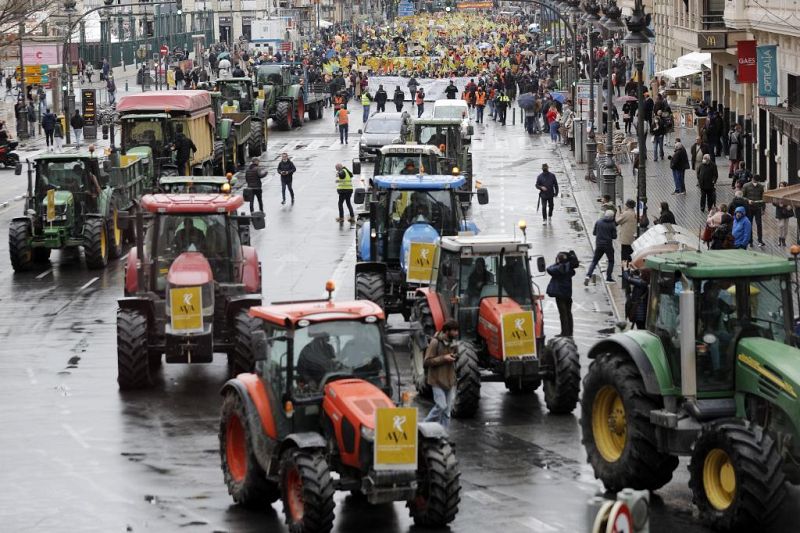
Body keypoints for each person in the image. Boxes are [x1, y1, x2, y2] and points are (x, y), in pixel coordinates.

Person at [423, 319, 459, 431]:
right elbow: (427, 361)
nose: (456, 333)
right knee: (441, 406)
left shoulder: (453, 343)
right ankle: (424, 424)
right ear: (447, 331)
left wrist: (454, 357)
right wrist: (444, 358)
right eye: (454, 331)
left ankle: (444, 434)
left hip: (449, 381)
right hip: (436, 380)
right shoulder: (435, 342)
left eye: (457, 331)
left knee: (447, 412)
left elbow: (455, 357)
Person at [546, 252, 575, 336]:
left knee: (563, 314)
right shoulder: (568, 268)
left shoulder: (558, 268)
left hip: (560, 294)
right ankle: (570, 332)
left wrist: (557, 263)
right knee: (568, 312)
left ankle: (564, 332)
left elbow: (549, 269)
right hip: (568, 294)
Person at [585, 210, 617, 284]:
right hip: (608, 245)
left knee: (595, 261)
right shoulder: (612, 224)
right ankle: (608, 278)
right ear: (612, 217)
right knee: (611, 261)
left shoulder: (598, 222)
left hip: (599, 244)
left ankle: (588, 275)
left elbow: (594, 233)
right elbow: (614, 236)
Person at [742, 174, 765, 246]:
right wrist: (748, 200)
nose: (756, 182)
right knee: (749, 224)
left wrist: (763, 209)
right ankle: (750, 241)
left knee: (759, 224)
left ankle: (760, 240)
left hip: (758, 208)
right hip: (749, 208)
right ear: (752, 179)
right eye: (754, 181)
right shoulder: (746, 186)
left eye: (757, 181)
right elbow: (742, 197)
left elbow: (763, 198)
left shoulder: (761, 187)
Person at [616, 200, 637, 269]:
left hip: (625, 238)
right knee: (631, 253)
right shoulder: (634, 213)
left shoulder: (626, 213)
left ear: (627, 205)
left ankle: (624, 270)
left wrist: (618, 212)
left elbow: (617, 220)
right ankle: (631, 268)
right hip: (632, 238)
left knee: (624, 255)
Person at [774, 182, 793, 247]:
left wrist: (790, 206)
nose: (781, 187)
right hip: (779, 211)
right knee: (781, 225)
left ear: (785, 186)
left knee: (786, 227)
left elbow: (791, 201)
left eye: (782, 186)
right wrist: (778, 204)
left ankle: (784, 239)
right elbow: (774, 202)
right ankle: (780, 238)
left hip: (786, 211)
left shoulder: (788, 193)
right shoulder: (777, 193)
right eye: (780, 186)